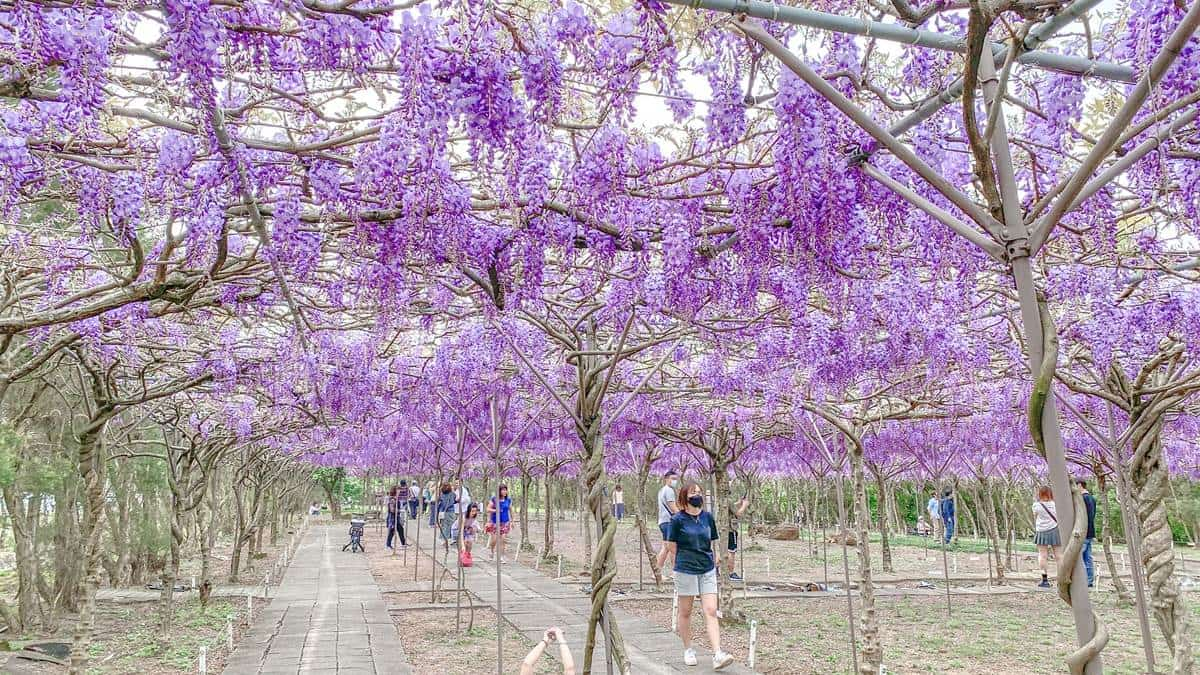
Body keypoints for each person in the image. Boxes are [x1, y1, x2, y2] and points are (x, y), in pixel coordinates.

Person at [659, 480, 736, 670]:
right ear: (685, 497)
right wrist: (686, 558)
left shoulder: (707, 517)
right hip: (685, 570)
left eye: (699, 493)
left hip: (707, 569)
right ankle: (688, 649)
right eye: (693, 493)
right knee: (685, 612)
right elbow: (671, 545)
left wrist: (716, 556)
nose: (697, 496)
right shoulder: (677, 520)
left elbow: (714, 539)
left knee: (710, 610)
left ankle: (717, 653)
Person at [1033, 485, 1062, 588]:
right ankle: (1061, 579)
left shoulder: (1036, 505)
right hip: (1055, 529)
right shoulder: (1056, 505)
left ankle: (1044, 579)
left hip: (1041, 531)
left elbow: (1035, 516)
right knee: (1059, 556)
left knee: (1042, 555)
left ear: (1040, 494)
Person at [657, 470, 679, 575]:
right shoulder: (669, 491)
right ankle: (674, 572)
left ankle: (659, 571)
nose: (674, 481)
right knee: (672, 547)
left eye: (676, 479)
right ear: (666, 479)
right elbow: (673, 507)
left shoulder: (662, 490)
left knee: (666, 547)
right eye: (672, 479)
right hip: (668, 522)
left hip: (663, 522)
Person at [1077, 478, 1097, 587]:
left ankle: (1083, 580)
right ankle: (1089, 580)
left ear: (1080, 485)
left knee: (1080, 558)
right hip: (1090, 531)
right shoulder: (1092, 498)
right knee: (1088, 558)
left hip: (1083, 531)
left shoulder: (1082, 499)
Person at [726, 495, 750, 581]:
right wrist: (744, 505)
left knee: (724, 550)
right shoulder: (727, 499)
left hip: (723, 530)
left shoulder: (722, 499)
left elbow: (730, 506)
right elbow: (738, 513)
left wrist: (738, 502)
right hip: (730, 530)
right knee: (731, 551)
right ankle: (730, 573)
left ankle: (717, 568)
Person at [487, 484, 513, 561]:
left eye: (506, 490)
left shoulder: (508, 500)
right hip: (495, 522)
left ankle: (502, 556)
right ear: (499, 491)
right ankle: (492, 551)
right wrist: (496, 510)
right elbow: (488, 509)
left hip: (505, 522)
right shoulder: (494, 499)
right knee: (494, 539)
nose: (505, 491)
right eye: (503, 490)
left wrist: (512, 521)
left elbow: (511, 510)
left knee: (503, 539)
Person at [434, 482, 457, 550]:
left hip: (442, 512)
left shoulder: (441, 494)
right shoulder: (452, 494)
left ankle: (444, 539)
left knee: (444, 525)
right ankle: (447, 540)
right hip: (450, 512)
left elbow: (438, 501)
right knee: (450, 526)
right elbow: (454, 500)